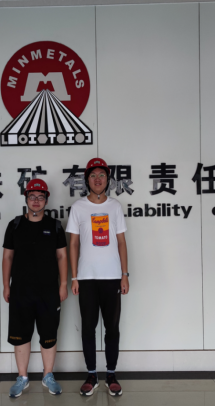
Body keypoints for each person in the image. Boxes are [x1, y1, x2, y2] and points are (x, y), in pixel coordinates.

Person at [67, 158, 130, 397]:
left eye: (102, 175)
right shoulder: (78, 207)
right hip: (86, 278)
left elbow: (121, 242)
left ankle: (111, 374)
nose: (97, 179)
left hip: (112, 277)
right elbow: (73, 244)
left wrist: (124, 275)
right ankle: (92, 375)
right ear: (86, 179)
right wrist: (74, 278)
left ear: (107, 180)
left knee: (112, 328)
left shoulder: (115, 206)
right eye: (93, 175)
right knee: (88, 328)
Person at [2, 179, 68, 398]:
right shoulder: (15, 225)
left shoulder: (55, 226)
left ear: (46, 200)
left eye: (41, 197)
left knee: (49, 333)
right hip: (20, 291)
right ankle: (22, 377)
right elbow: (8, 257)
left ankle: (48, 375)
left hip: (49, 292)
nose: (36, 201)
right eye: (32, 196)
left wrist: (63, 284)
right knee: (21, 335)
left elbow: (62, 256)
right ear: (26, 199)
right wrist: (6, 285)